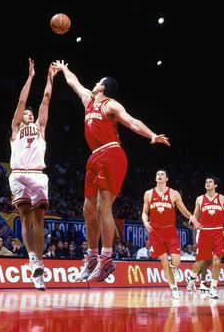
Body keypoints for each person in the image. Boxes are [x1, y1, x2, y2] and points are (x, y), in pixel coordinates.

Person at [52, 60, 170, 282]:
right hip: (94, 156)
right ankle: (92, 257)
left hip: (112, 154)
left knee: (102, 207)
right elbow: (74, 83)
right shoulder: (88, 100)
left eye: (98, 82)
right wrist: (64, 68)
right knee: (87, 209)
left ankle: (107, 258)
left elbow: (132, 121)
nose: (94, 83)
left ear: (103, 87)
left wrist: (152, 135)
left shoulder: (111, 105)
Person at [8, 58, 56, 290]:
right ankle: (32, 259)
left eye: (30, 113)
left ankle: (40, 269)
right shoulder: (16, 129)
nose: (28, 113)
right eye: (26, 113)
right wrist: (30, 77)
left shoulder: (41, 128)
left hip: (37, 174)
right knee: (25, 218)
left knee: (39, 221)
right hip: (18, 173)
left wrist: (49, 78)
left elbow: (46, 100)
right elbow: (21, 100)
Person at [142, 169, 200, 299]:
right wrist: (145, 222)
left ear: (167, 178)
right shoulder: (149, 193)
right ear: (156, 178)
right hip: (155, 232)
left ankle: (174, 267)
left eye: (162, 174)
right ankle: (173, 288)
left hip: (170, 231)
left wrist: (192, 218)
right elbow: (145, 212)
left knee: (176, 260)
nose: (159, 176)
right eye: (158, 174)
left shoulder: (174, 194)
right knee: (163, 261)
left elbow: (183, 211)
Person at [186, 176, 224, 299]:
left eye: (210, 182)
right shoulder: (199, 199)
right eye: (206, 182)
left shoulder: (222, 199)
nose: (207, 183)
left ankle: (213, 288)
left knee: (216, 260)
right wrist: (193, 220)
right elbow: (195, 215)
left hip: (218, 232)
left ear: (215, 185)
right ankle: (192, 279)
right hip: (204, 232)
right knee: (200, 261)